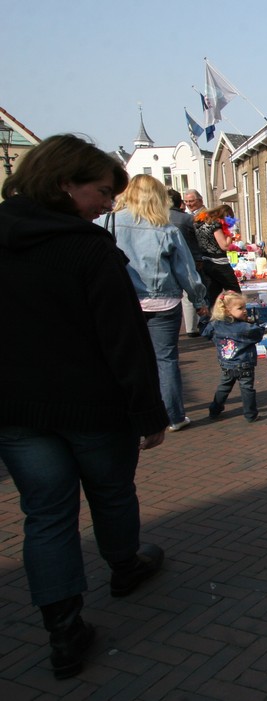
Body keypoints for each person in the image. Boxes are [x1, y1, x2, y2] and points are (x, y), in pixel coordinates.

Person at [0, 134, 168, 679]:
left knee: (46, 515)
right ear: (64, 184)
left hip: (18, 409)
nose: (106, 204)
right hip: (92, 406)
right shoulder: (88, 250)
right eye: (100, 192)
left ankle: (64, 630)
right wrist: (148, 412)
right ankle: (124, 566)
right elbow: (124, 341)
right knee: (111, 491)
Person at [113, 175, 209, 432]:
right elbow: (185, 271)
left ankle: (134, 413)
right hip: (163, 302)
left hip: (123, 302)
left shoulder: (107, 223)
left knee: (127, 358)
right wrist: (199, 300)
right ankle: (174, 416)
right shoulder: (165, 228)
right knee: (165, 360)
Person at [201, 291, 265, 422]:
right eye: (240, 308)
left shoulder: (215, 324)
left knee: (224, 387)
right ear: (227, 311)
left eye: (244, 307)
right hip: (244, 363)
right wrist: (256, 323)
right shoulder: (245, 327)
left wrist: (204, 319)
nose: (245, 311)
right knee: (247, 388)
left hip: (226, 363)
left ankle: (214, 410)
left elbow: (205, 333)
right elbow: (258, 334)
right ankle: (250, 415)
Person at [169, 188, 205, 336]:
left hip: (166, 261)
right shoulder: (187, 219)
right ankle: (192, 328)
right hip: (187, 259)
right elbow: (197, 241)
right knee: (188, 291)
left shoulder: (156, 219)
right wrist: (198, 258)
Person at [195, 203, 241, 307]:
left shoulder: (200, 223)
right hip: (219, 263)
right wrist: (229, 235)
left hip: (206, 262)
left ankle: (215, 315)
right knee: (235, 293)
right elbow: (224, 246)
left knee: (213, 295)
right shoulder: (215, 225)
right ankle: (238, 313)